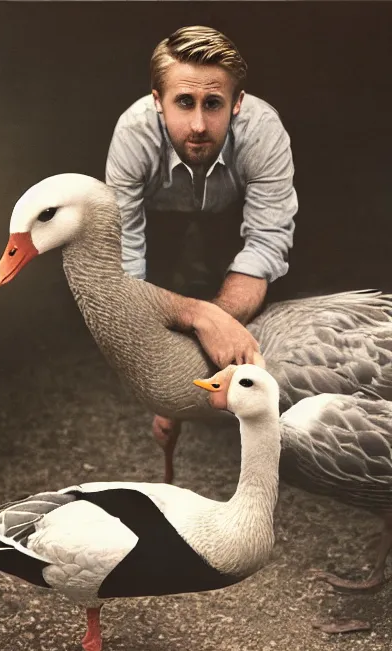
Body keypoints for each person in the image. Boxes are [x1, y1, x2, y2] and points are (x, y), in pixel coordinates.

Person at [105, 25, 297, 471]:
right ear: (157, 100)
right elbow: (127, 270)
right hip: (161, 216)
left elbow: (266, 244)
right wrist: (171, 379)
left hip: (232, 215)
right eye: (183, 103)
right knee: (164, 281)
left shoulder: (264, 132)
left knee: (258, 297)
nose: (197, 125)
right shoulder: (133, 135)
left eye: (213, 104)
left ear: (237, 103)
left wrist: (214, 323)